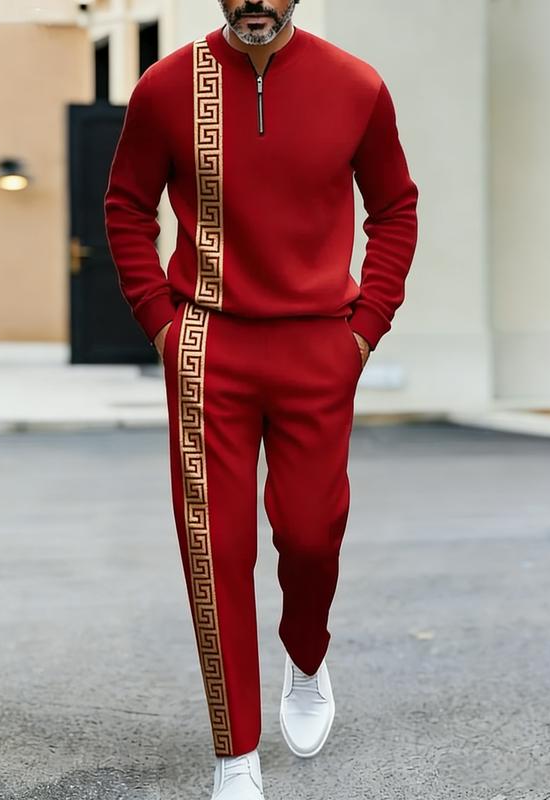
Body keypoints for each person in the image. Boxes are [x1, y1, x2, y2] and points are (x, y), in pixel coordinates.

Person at [104, 1, 419, 796]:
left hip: (319, 345)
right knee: (215, 550)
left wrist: (364, 330)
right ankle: (235, 753)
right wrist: (161, 324)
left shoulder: (356, 86)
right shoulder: (167, 86)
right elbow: (126, 208)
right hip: (209, 344)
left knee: (310, 536)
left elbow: (394, 210)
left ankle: (306, 654)